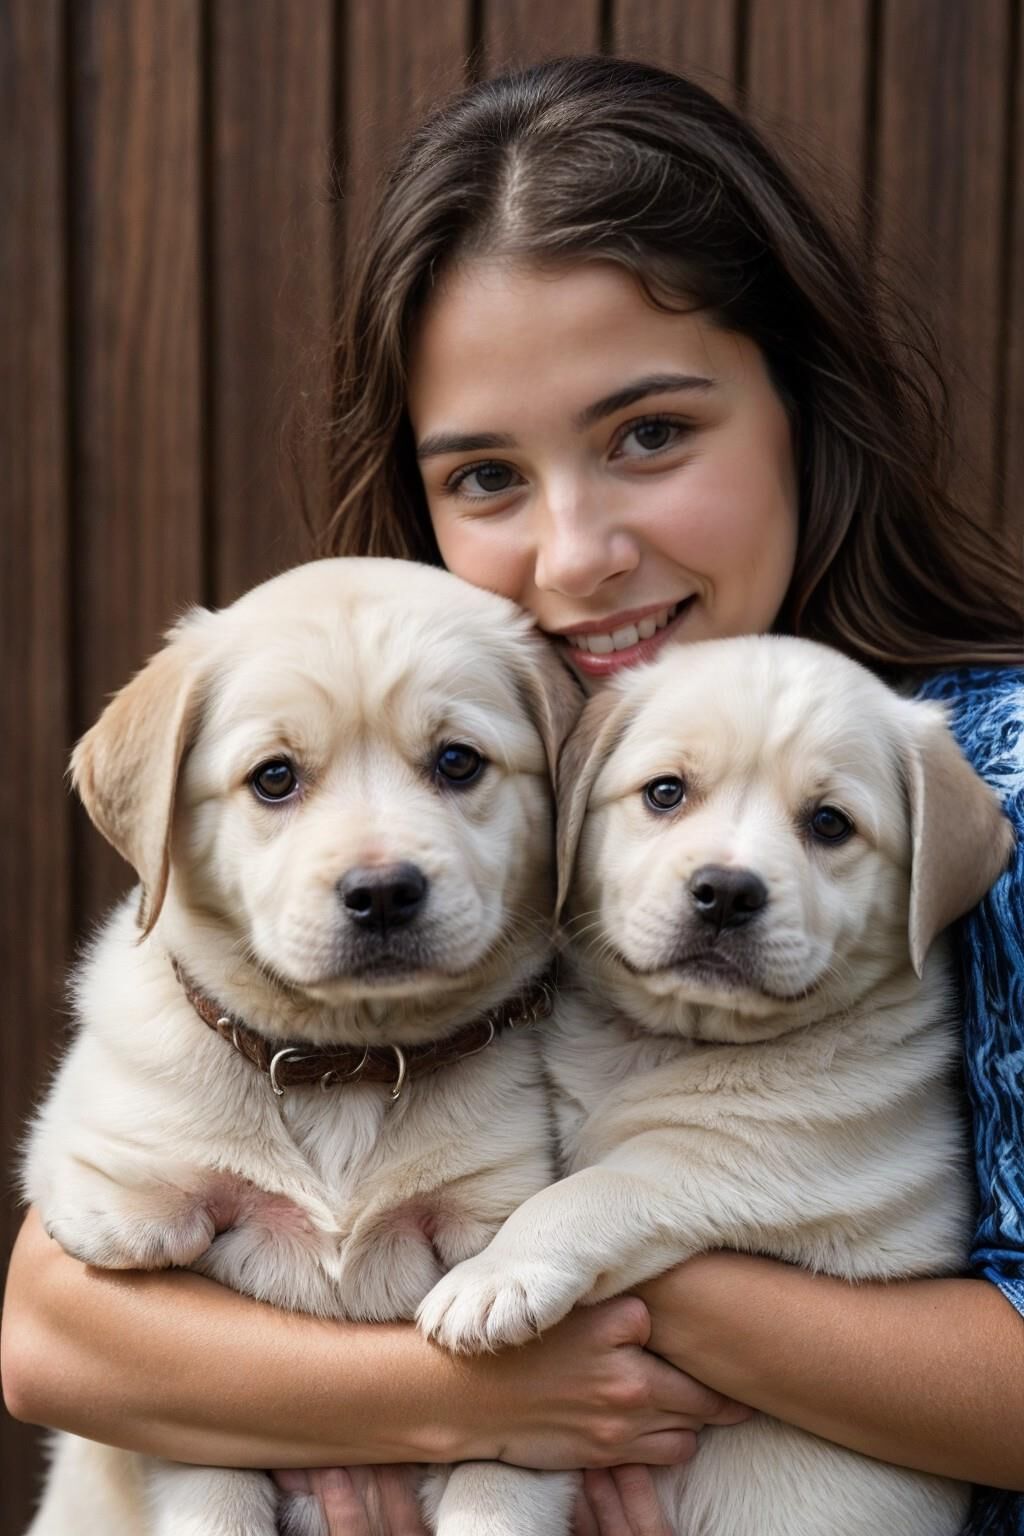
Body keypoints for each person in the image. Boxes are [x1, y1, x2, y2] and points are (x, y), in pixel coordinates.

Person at [4, 55, 1023, 1536]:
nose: (576, 554)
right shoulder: (441, 768)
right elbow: (58, 1323)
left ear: (807, 402)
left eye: (651, 436)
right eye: (485, 476)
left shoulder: (986, 780)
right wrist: (454, 1399)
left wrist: (595, 1272)